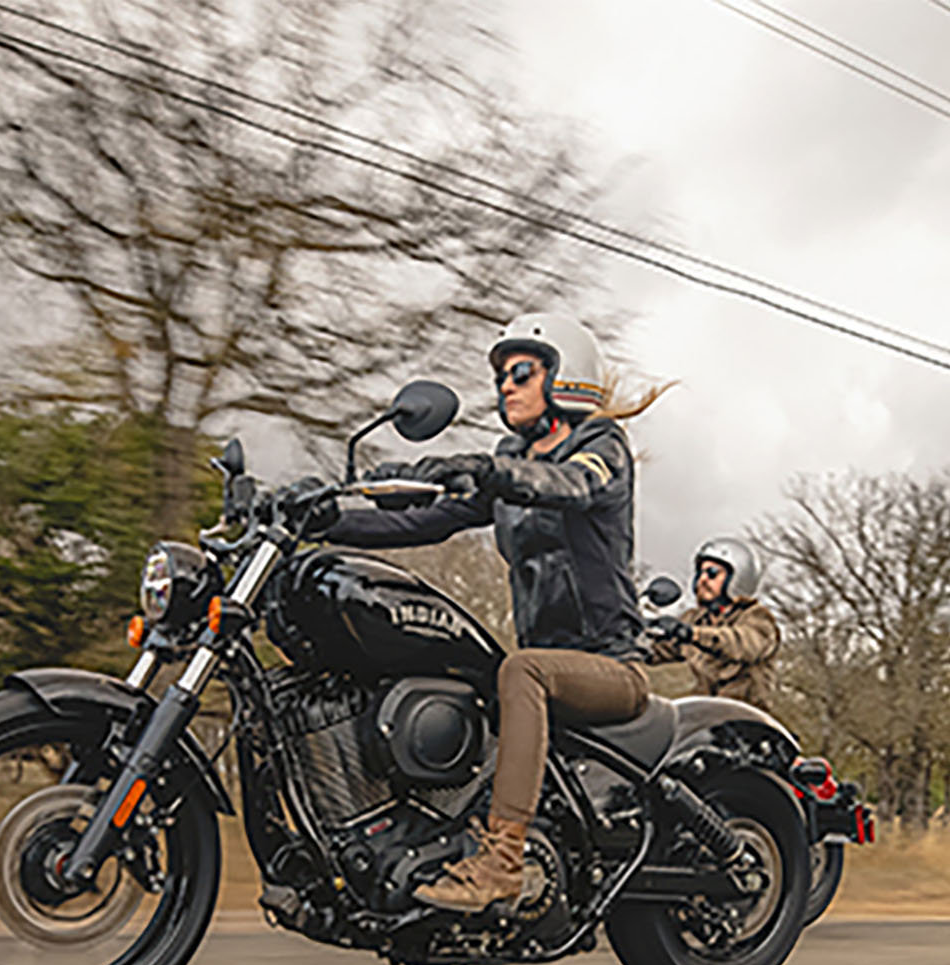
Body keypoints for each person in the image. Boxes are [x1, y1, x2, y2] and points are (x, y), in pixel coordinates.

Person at [320, 312, 662, 912]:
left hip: (611, 669)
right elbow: (422, 520)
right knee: (461, 670)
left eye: (521, 371)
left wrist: (489, 471)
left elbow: (570, 485)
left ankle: (503, 862)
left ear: (564, 377)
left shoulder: (601, 450)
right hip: (548, 666)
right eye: (502, 375)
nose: (505, 385)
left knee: (520, 670)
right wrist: (323, 522)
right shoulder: (512, 460)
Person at [645, 537, 780, 707]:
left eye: (712, 573)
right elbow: (659, 650)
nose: (703, 579)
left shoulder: (756, 617)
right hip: (705, 714)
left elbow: (742, 644)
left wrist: (692, 634)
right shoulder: (696, 619)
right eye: (700, 573)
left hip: (745, 717)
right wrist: (633, 637)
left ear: (737, 578)